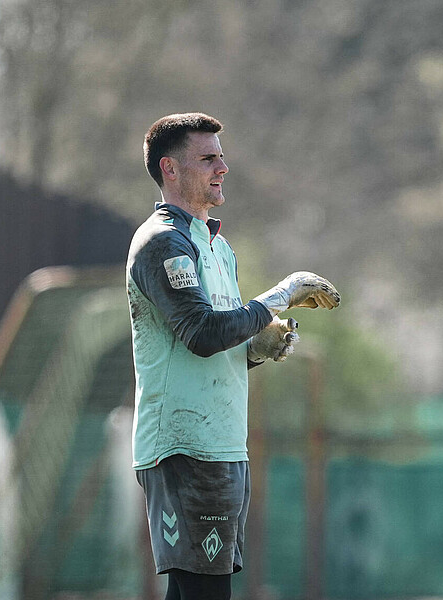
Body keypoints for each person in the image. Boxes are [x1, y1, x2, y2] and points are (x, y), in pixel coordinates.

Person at [126, 112, 340, 600]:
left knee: (195, 592)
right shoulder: (163, 243)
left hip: (222, 443)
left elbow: (220, 341)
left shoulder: (217, 248)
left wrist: (258, 346)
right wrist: (278, 296)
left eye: (221, 157)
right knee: (205, 592)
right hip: (183, 446)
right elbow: (201, 333)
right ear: (170, 169)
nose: (222, 167)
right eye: (207, 158)